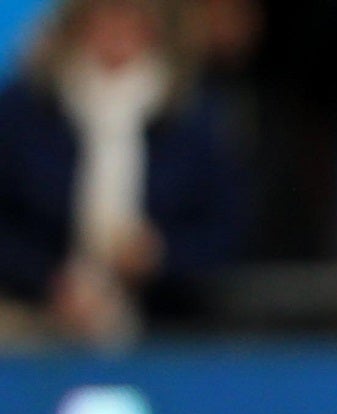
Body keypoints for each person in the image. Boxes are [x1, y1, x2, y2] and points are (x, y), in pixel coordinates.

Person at [0, 0, 245, 346]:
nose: (117, 32)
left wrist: (159, 257)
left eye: (132, 19)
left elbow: (226, 229)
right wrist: (50, 281)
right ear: (76, 26)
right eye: (105, 17)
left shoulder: (192, 116)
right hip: (33, 317)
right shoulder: (26, 109)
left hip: (166, 326)